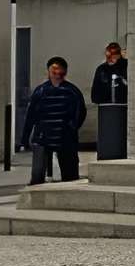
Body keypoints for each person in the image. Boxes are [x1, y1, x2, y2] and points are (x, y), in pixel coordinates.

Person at [21, 56, 87, 185]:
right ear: (49, 72)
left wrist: (72, 127)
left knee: (70, 177)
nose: (57, 75)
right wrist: (24, 139)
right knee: (37, 177)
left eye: (60, 72)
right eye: (54, 72)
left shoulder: (72, 91)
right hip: (43, 136)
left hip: (65, 136)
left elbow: (80, 113)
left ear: (65, 73)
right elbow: (31, 116)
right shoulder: (40, 91)